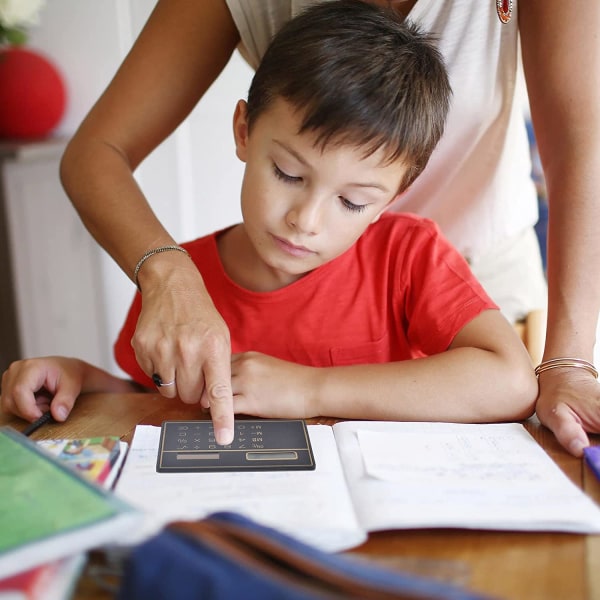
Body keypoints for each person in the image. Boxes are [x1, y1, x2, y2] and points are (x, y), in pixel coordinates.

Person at [46, 0, 600, 452]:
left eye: (354, 201)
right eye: (287, 172)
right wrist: (82, 385)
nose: (304, 221)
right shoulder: (182, 280)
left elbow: (508, 381)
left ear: (395, 196)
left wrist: (310, 389)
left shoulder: (407, 258)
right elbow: (157, 400)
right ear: (243, 130)